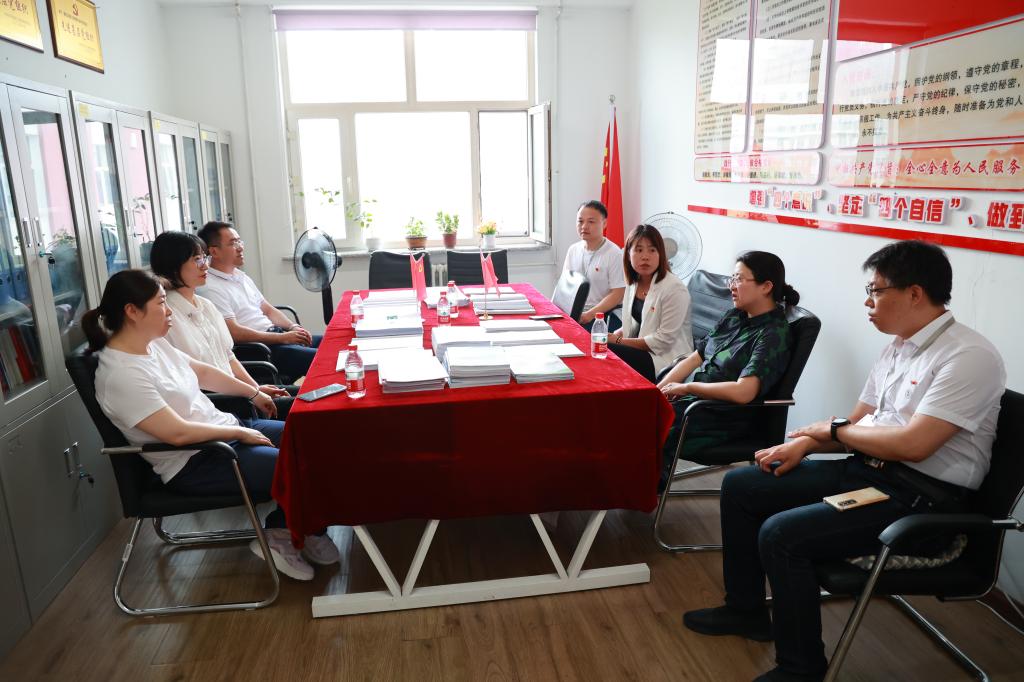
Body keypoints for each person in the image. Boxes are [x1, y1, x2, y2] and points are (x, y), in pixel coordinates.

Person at [683, 241, 1006, 682]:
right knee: (743, 485)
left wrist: (830, 433)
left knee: (781, 534)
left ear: (914, 293)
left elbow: (914, 445)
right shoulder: (898, 347)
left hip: (921, 500)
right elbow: (857, 423)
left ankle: (801, 670)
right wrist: (806, 445)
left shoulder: (967, 357)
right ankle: (746, 611)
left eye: (876, 291)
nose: (868, 303)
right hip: (870, 471)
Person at [83, 270, 340, 581]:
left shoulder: (153, 345)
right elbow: (177, 433)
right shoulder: (121, 375)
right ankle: (280, 535)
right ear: (132, 311)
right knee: (300, 466)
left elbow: (203, 372)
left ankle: (302, 528)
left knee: (313, 441)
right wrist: (239, 432)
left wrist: (254, 392)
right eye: (162, 304)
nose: (169, 311)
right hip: (198, 460)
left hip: (222, 434)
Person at [656, 251, 798, 491]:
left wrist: (687, 387)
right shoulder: (734, 316)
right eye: (732, 278)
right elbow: (695, 357)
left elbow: (744, 392)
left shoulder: (772, 334)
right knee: (641, 408)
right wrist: (658, 391)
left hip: (722, 416)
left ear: (766, 287)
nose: (731, 286)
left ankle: (644, 484)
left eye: (739, 279)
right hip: (695, 404)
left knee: (650, 422)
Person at [149, 231, 294, 418]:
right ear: (173, 265)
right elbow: (194, 378)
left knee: (307, 399)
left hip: (240, 394)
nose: (205, 265)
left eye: (205, 258)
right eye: (197, 260)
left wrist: (256, 388)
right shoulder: (167, 316)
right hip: (217, 406)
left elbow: (228, 357)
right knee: (303, 413)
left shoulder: (206, 305)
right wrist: (252, 393)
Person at [197, 221, 321, 383]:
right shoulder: (210, 287)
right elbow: (234, 332)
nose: (240, 248)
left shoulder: (240, 276)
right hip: (260, 349)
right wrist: (283, 338)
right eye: (233, 243)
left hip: (276, 336)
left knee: (334, 343)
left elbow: (268, 309)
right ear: (214, 251)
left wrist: (293, 327)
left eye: (240, 241)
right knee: (327, 359)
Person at [606, 224, 693, 383]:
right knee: (599, 344)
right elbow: (637, 323)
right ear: (628, 254)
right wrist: (612, 335)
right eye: (639, 250)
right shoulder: (634, 282)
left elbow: (662, 341)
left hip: (667, 360)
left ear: (661, 254)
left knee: (608, 350)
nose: (645, 256)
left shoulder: (674, 289)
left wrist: (617, 341)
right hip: (644, 351)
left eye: (652, 250)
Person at [561, 200, 625, 332]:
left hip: (606, 314)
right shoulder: (573, 250)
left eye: (591, 222)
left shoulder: (614, 254)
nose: (584, 226)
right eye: (580, 221)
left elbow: (618, 293)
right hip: (577, 312)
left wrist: (590, 315)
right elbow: (565, 285)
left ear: (604, 223)